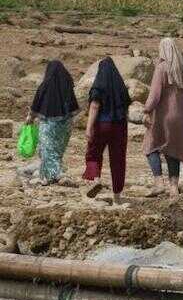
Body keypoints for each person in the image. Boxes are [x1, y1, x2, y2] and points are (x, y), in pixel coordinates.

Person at [143, 38, 183, 196]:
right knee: (173, 150)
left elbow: (155, 95)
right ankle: (173, 187)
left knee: (150, 146)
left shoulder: (162, 68)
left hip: (164, 116)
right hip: (181, 117)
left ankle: (159, 183)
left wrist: (147, 110)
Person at [83, 57, 131, 203]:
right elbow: (126, 108)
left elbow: (95, 106)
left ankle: (96, 179)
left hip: (102, 124)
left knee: (93, 153)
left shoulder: (99, 85)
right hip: (120, 126)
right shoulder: (121, 87)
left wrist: (88, 127)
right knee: (118, 160)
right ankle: (117, 195)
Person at [26, 60, 79, 184]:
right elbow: (73, 107)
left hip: (47, 123)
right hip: (65, 124)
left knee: (47, 149)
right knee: (58, 150)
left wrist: (30, 118)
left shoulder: (45, 85)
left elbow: (36, 104)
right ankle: (51, 174)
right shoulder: (67, 85)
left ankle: (51, 175)